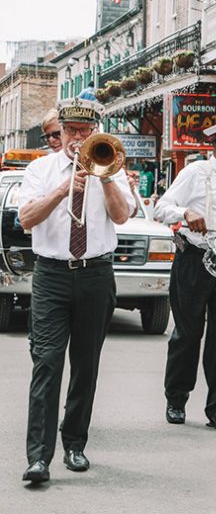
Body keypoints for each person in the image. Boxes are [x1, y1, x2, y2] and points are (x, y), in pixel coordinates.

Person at [19, 98, 134, 483]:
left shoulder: (111, 165)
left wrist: (103, 177)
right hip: (51, 274)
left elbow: (121, 216)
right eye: (71, 131)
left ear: (95, 130)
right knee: (47, 363)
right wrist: (63, 188)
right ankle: (38, 457)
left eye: (86, 131)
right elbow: (27, 219)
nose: (78, 138)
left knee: (86, 365)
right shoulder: (40, 170)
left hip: (95, 273)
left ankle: (75, 444)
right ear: (60, 131)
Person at [153, 117, 216, 431]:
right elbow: (162, 207)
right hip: (194, 258)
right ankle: (176, 398)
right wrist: (185, 213)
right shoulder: (196, 172)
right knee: (188, 333)